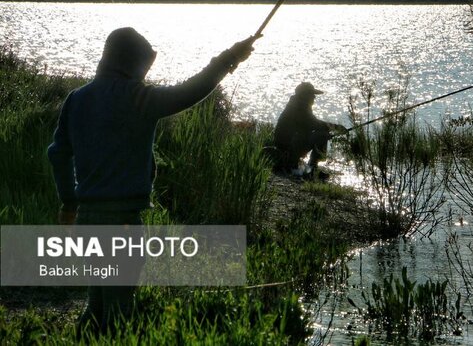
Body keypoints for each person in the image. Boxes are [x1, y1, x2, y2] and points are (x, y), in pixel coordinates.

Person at [47, 27, 258, 336]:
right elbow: (193, 89)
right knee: (118, 313)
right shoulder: (139, 98)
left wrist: (68, 202)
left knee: (97, 306)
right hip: (123, 223)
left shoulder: (76, 98)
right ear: (131, 63)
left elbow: (57, 154)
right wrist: (230, 58)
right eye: (143, 68)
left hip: (87, 219)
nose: (144, 76)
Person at [273, 82, 346, 176]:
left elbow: (311, 124)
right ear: (304, 95)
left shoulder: (297, 105)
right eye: (312, 94)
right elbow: (314, 124)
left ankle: (308, 166)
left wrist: (331, 127)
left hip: (287, 145)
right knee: (323, 135)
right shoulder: (299, 107)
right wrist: (336, 127)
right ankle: (312, 168)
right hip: (287, 147)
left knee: (323, 132)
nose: (314, 97)